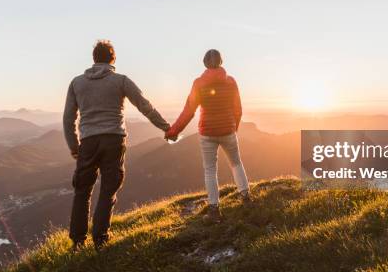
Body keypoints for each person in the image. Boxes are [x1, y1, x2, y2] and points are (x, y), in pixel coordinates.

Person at [63, 40, 170, 250]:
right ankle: (101, 240)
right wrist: (166, 127)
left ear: (94, 59)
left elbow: (68, 119)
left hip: (88, 141)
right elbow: (144, 106)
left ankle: (77, 242)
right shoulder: (120, 80)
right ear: (113, 59)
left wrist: (74, 145)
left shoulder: (76, 83)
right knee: (108, 188)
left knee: (82, 190)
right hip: (114, 139)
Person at [165, 49, 250, 222]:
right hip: (228, 130)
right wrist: (234, 127)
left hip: (207, 132)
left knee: (210, 170)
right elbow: (238, 109)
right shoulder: (231, 81)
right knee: (236, 163)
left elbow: (188, 111)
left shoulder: (198, 83)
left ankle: (214, 210)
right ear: (221, 62)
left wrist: (173, 132)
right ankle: (246, 198)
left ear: (204, 63)